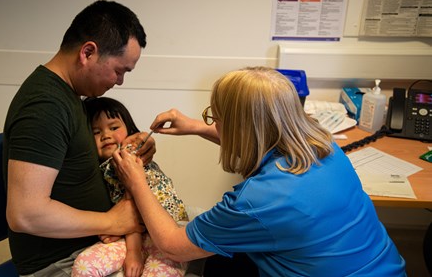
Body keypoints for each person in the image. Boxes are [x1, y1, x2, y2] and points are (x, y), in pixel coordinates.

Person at [112, 66, 407, 277]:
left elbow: (172, 246)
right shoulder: (322, 142)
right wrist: (195, 126)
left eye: (215, 118)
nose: (213, 124)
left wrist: (136, 181)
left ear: (242, 128)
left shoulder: (257, 201)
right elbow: (263, 140)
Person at [3, 0, 155, 276]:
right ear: (88, 52)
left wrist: (135, 145)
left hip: (95, 245)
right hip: (62, 263)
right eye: (119, 70)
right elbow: (25, 213)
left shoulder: (71, 96)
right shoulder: (45, 106)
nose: (119, 81)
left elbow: (79, 159)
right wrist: (111, 222)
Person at [71, 97, 188, 277]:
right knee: (84, 265)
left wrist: (134, 254)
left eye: (114, 127)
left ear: (129, 129)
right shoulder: (102, 166)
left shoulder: (126, 160)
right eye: (95, 131)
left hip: (167, 232)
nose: (105, 135)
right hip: (133, 236)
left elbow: (132, 208)